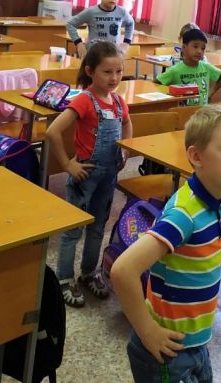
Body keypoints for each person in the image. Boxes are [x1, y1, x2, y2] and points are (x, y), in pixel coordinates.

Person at [111, 106, 221, 383]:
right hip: (168, 349)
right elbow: (122, 271)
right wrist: (148, 331)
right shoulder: (184, 215)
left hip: (195, 341)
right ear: (196, 156)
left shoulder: (215, 199)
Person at [46, 40, 133, 307]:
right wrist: (67, 164)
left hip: (108, 176)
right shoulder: (84, 100)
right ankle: (63, 278)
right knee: (73, 230)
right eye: (107, 72)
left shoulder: (117, 100)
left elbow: (127, 123)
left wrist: (125, 150)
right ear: (89, 71)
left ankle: (87, 272)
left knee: (97, 227)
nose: (114, 78)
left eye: (118, 72)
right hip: (85, 176)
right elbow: (53, 131)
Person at [66, 0, 135, 60]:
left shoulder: (122, 12)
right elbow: (70, 24)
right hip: (93, 56)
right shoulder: (91, 12)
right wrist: (79, 44)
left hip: (113, 55)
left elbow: (130, 23)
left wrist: (126, 44)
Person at [156, 29, 221, 105]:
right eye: (195, 46)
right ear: (184, 47)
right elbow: (156, 83)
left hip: (202, 111)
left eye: (203, 48)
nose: (199, 51)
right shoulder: (175, 70)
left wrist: (210, 94)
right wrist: (170, 96)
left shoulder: (207, 67)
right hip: (182, 111)